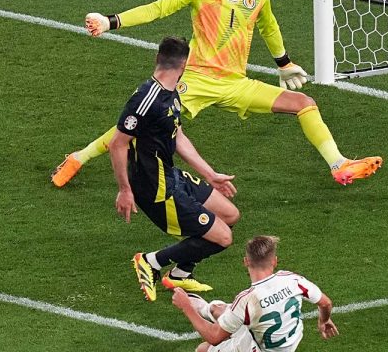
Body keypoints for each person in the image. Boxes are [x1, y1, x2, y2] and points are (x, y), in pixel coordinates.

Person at [52, 0, 382, 188]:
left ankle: (339, 165)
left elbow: (269, 27)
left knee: (304, 102)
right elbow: (157, 8)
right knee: (145, 119)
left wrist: (284, 64)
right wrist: (112, 21)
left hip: (236, 83)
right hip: (195, 79)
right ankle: (78, 158)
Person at [109, 36, 240, 299]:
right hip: (154, 188)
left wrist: (210, 174)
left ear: (158, 58)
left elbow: (177, 136)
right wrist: (125, 189)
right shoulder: (147, 99)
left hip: (171, 175)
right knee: (224, 237)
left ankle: (180, 274)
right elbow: (117, 144)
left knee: (230, 215)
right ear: (185, 64)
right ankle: (151, 261)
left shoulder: (172, 93)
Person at [172, 235, 339, 352]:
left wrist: (186, 307)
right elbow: (325, 303)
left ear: (246, 262)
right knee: (220, 310)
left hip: (256, 348)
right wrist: (324, 320)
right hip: (284, 343)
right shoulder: (293, 280)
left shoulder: (246, 299)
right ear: (274, 261)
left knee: (203, 349)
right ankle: (210, 309)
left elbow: (214, 337)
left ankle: (200, 307)